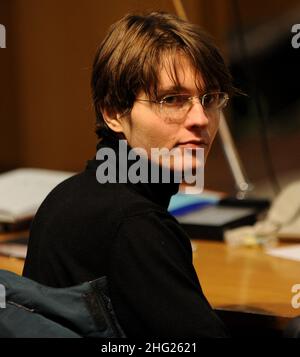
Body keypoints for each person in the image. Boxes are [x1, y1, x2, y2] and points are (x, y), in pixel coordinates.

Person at [23, 11, 234, 338]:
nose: (201, 118)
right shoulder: (135, 223)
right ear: (113, 113)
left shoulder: (67, 194)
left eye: (209, 98)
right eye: (172, 99)